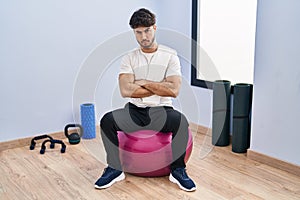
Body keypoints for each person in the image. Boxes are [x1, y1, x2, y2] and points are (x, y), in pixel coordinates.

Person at [94, 8, 196, 192]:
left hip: (162, 111)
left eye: (147, 30)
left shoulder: (170, 55)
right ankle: (115, 169)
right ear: (134, 33)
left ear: (154, 28)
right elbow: (126, 90)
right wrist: (159, 86)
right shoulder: (129, 59)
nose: (144, 36)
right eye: (138, 32)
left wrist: (143, 82)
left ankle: (178, 170)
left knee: (181, 121)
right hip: (135, 111)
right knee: (107, 120)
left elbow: (174, 90)